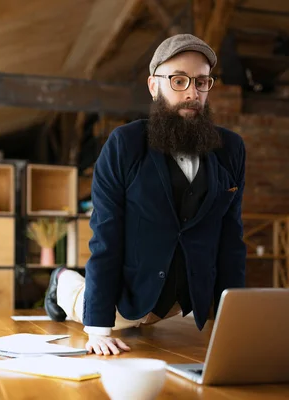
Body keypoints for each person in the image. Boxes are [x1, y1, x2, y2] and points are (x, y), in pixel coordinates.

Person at [44, 34, 247, 356]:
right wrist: (97, 330)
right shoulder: (124, 143)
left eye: (202, 82)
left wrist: (236, 323)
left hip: (182, 302)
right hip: (128, 291)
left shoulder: (232, 148)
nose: (192, 92)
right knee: (107, 314)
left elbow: (231, 240)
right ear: (154, 86)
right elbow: (106, 234)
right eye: (179, 80)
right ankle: (63, 281)